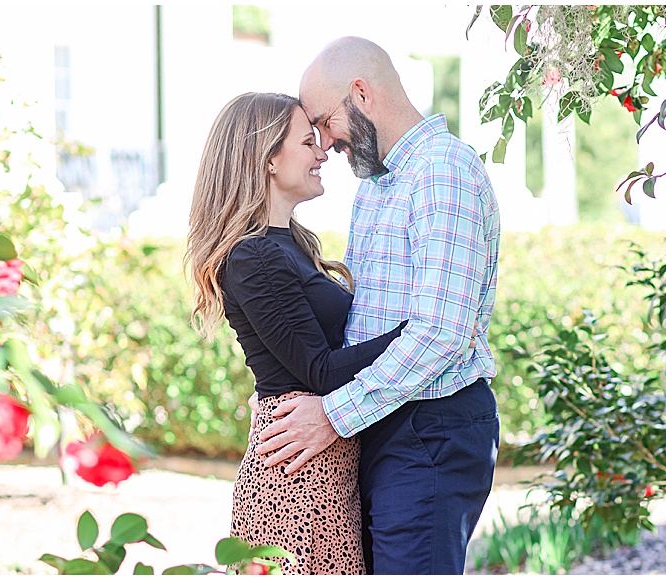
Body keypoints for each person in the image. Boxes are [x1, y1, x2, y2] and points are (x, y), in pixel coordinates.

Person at [253, 36, 502, 574]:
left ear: (360, 93)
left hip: (430, 427)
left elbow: (441, 332)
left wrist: (332, 415)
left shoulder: (442, 172)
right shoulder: (379, 185)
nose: (323, 143)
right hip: (383, 420)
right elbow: (360, 321)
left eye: (323, 121)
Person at [184, 92, 413, 574]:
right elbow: (321, 371)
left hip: (319, 464)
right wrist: (421, 331)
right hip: (294, 479)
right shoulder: (255, 257)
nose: (322, 152)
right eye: (308, 142)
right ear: (268, 159)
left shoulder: (289, 245)